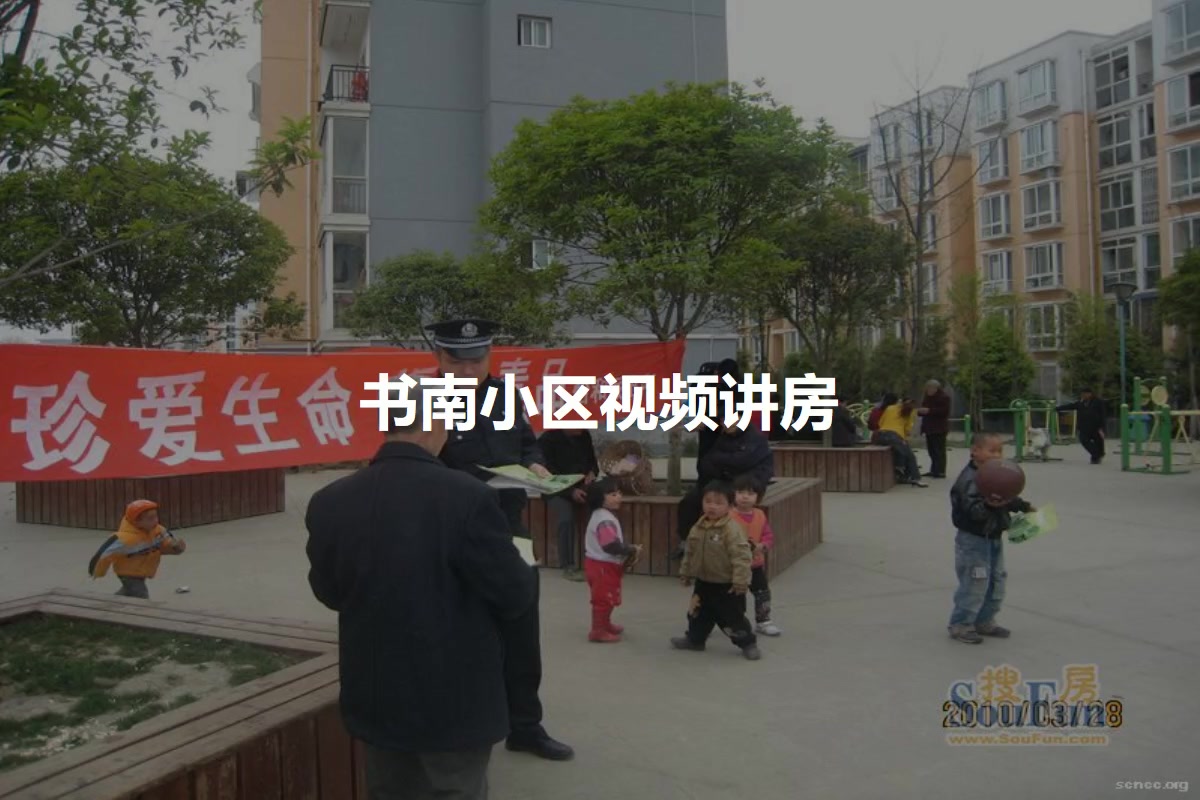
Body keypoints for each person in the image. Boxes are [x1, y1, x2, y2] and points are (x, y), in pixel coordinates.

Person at [305, 384, 536, 799]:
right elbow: (515, 595)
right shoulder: (469, 497)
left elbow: (329, 591)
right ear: (431, 424)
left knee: (388, 790)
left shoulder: (330, 500)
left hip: (375, 692)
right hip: (454, 700)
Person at [429, 318, 574, 763]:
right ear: (439, 357)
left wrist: (536, 465)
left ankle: (524, 726)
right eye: (459, 361)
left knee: (522, 629)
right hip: (452, 535)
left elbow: (528, 444)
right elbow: (414, 465)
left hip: (511, 530)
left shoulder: (505, 396)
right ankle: (460, 727)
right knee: (458, 631)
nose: (469, 370)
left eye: (478, 360)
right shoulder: (422, 400)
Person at [947, 432, 1034, 645]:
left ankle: (984, 620)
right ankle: (961, 624)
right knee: (975, 583)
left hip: (993, 538)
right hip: (973, 542)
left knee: (996, 581)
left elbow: (1007, 495)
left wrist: (1023, 506)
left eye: (1000, 451)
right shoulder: (969, 479)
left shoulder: (996, 475)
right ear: (975, 451)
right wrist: (988, 505)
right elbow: (972, 511)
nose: (997, 455)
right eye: (992, 450)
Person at [672, 480, 761, 661]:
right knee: (697, 614)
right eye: (708, 501)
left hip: (727, 585)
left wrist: (741, 581)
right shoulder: (698, 527)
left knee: (733, 618)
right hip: (703, 582)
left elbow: (741, 557)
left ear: (730, 506)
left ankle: (747, 643)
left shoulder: (731, 529)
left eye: (719, 503)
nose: (712, 506)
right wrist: (685, 572)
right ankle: (695, 640)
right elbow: (690, 552)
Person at [675, 418, 774, 557]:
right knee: (690, 500)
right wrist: (724, 466)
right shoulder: (724, 438)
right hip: (723, 479)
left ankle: (729, 546)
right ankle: (687, 542)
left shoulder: (754, 437)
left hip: (748, 483)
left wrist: (724, 463)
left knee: (728, 502)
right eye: (723, 421)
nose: (726, 425)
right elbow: (709, 461)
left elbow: (742, 461)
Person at [88, 499, 186, 600]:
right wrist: (97, 570)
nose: (156, 521)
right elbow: (105, 553)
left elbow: (165, 542)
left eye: (156, 516)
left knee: (128, 591)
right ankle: (141, 609)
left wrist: (176, 547)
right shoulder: (124, 538)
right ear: (136, 521)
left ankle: (112, 601)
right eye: (150, 518)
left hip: (141, 570)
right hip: (127, 573)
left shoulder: (158, 530)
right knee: (141, 595)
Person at [582, 477, 640, 643]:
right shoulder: (604, 520)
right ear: (600, 498)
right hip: (602, 566)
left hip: (599, 564)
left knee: (608, 597)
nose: (618, 497)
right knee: (603, 599)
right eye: (613, 494)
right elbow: (610, 545)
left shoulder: (600, 515)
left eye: (619, 493)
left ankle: (605, 624)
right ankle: (598, 630)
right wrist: (629, 549)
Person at [538, 427, 599, 582]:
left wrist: (592, 472)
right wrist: (570, 492)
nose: (582, 426)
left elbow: (592, 462)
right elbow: (548, 474)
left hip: (583, 486)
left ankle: (600, 560)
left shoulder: (584, 435)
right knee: (566, 518)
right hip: (556, 490)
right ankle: (568, 565)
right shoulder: (547, 440)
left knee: (599, 510)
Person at [732, 474, 781, 637]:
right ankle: (736, 622)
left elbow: (768, 535)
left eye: (750, 493)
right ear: (734, 494)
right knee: (736, 595)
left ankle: (763, 621)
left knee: (762, 592)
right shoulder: (728, 516)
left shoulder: (760, 515)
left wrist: (763, 545)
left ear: (758, 497)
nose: (745, 497)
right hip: (734, 565)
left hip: (755, 564)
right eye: (740, 492)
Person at [872, 394, 928, 487]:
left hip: (881, 435)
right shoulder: (911, 412)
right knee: (910, 455)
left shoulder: (890, 408)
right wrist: (904, 437)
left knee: (900, 451)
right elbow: (907, 430)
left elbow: (880, 422)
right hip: (894, 436)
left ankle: (901, 472)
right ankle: (915, 478)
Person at [1056, 389, 1107, 464]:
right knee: (1084, 440)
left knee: (1098, 441)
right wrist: (1057, 408)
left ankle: (1096, 457)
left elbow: (1103, 415)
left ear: (1090, 394)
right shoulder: (1081, 402)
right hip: (1084, 427)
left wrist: (1102, 427)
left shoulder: (1098, 402)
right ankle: (1097, 454)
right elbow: (1071, 406)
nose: (1083, 396)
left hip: (1096, 426)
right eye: (1082, 394)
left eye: (1084, 394)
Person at [919, 380, 951, 478]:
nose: (928, 390)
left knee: (939, 451)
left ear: (936, 388)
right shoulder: (927, 397)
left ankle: (940, 471)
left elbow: (944, 411)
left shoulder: (944, 397)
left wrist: (929, 411)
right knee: (931, 450)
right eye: (927, 388)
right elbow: (923, 409)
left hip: (939, 428)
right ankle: (934, 470)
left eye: (930, 388)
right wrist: (921, 411)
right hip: (929, 428)